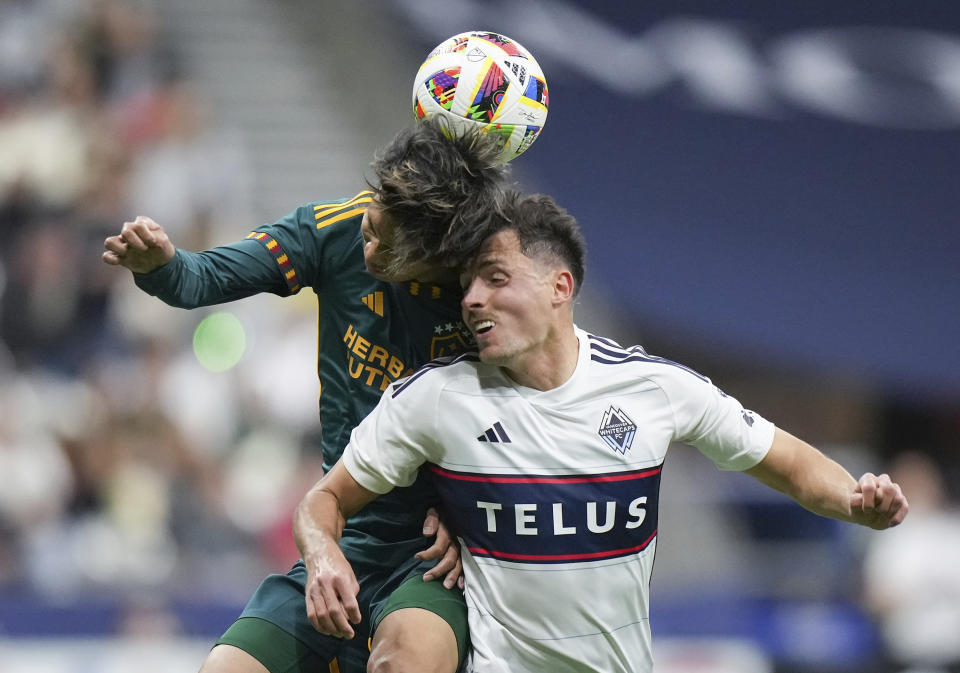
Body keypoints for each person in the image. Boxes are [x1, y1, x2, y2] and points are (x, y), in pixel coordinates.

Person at [297, 191, 910, 673]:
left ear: (560, 287)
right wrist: (323, 552)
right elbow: (325, 498)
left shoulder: (653, 389)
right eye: (467, 287)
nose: (472, 300)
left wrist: (855, 502)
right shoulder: (436, 396)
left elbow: (793, 466)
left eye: (495, 278)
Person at [102, 117, 510, 673]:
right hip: (339, 526)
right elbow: (200, 278)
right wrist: (162, 268)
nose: (367, 245)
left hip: (433, 558)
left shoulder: (489, 294)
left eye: (387, 251)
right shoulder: (334, 228)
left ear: (439, 257)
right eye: (369, 225)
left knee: (405, 662)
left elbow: (534, 409)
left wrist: (477, 512)